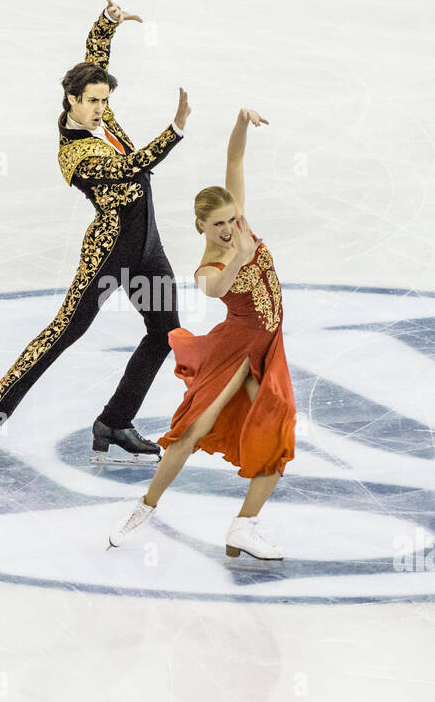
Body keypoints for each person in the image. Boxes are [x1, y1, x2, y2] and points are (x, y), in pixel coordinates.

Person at [0, 0, 190, 461]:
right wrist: (175, 129)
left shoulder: (101, 111)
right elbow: (132, 166)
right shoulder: (75, 154)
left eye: (105, 100)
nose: (101, 109)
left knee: (165, 333)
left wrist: (107, 22)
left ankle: (115, 421)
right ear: (72, 100)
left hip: (147, 246)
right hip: (109, 254)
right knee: (66, 331)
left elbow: (96, 57)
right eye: (92, 101)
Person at [107, 108, 295, 559]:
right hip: (236, 348)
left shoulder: (238, 222)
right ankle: (144, 507)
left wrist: (240, 124)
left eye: (231, 220)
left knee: (279, 429)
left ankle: (243, 526)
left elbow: (234, 163)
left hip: (270, 346)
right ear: (201, 227)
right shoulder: (208, 266)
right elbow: (218, 287)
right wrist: (237, 254)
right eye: (219, 225)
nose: (229, 229)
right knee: (191, 431)